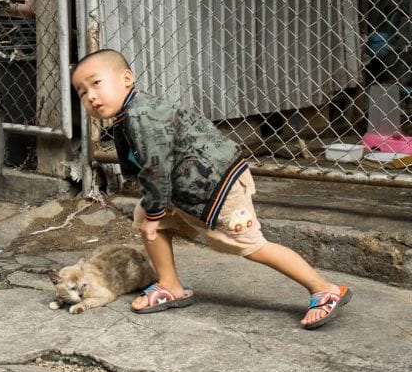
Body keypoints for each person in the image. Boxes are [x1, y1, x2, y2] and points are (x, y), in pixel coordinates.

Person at [71, 49, 352, 329]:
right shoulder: (128, 116)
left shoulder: (142, 114)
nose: (91, 96)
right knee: (146, 217)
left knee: (252, 246)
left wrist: (156, 211)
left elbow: (156, 166)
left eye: (96, 83)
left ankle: (324, 289)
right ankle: (170, 286)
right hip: (187, 183)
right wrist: (154, 210)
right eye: (82, 92)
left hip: (219, 187)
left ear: (126, 78)